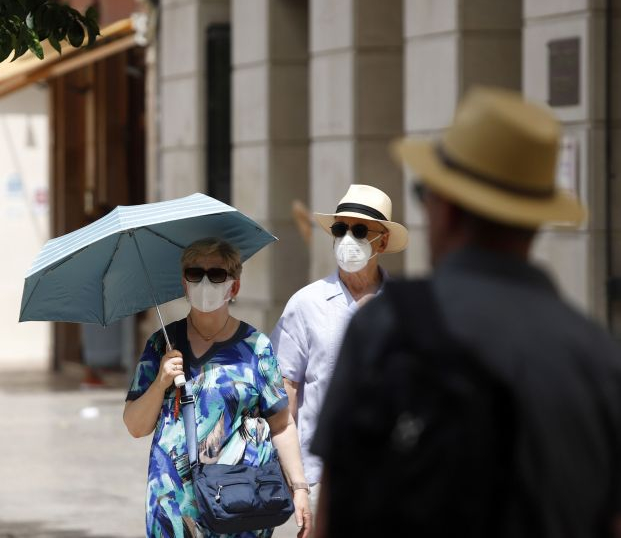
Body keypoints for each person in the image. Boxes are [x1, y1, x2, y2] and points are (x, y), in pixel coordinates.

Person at [311, 87, 621, 537]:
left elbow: (334, 511)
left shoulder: (386, 325)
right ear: (534, 219)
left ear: (448, 209)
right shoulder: (599, 359)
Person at [123, 237, 312, 538]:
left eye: (216, 274)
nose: (205, 282)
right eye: (195, 274)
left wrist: (300, 487)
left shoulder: (256, 347)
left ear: (234, 287)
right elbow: (135, 425)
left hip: (240, 503)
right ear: (184, 284)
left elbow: (282, 425)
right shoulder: (162, 345)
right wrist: (160, 382)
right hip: (173, 504)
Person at [270, 184, 408, 512]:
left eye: (360, 230)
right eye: (340, 228)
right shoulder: (305, 304)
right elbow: (284, 388)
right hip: (321, 479)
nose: (348, 238)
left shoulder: (404, 308)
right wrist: (294, 479)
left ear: (383, 241)